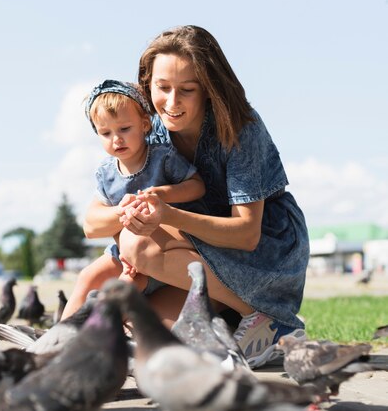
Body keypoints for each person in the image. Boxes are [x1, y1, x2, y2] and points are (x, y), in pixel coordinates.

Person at [63, 25, 309, 370]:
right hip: (192, 249)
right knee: (140, 328)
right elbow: (92, 220)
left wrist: (163, 215)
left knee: (137, 245)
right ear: (147, 83)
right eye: (162, 88)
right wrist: (134, 210)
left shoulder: (241, 128)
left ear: (209, 89)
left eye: (187, 90)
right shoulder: (148, 125)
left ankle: (262, 314)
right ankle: (60, 357)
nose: (172, 103)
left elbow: (246, 233)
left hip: (264, 250)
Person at [80, 79, 205, 300]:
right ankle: (58, 332)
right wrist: (121, 211)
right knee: (87, 277)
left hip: (162, 248)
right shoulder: (107, 172)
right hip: (124, 251)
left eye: (124, 129)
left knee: (124, 287)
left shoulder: (162, 157)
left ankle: (105, 332)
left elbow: (197, 187)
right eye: (105, 133)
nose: (116, 139)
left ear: (145, 124)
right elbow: (92, 223)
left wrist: (163, 193)